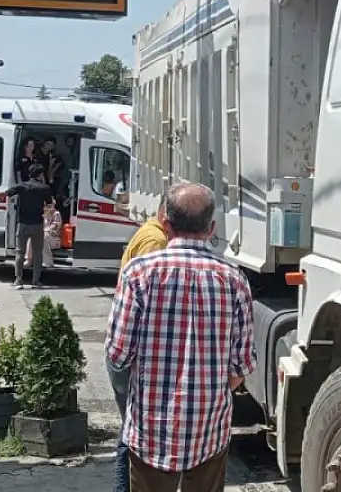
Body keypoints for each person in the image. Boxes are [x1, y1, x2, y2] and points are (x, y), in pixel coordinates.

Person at [106, 183, 256, 492]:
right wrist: (208, 393)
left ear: (166, 224)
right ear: (212, 228)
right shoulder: (235, 281)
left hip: (149, 431)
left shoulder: (138, 274)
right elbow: (241, 365)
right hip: (209, 432)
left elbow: (118, 354)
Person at [107, 202, 169, 492]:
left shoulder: (150, 233)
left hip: (127, 350)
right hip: (133, 354)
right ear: (167, 216)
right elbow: (150, 301)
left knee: (131, 431)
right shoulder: (156, 242)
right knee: (133, 436)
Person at [0, 163, 55, 289]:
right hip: (37, 225)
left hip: (22, 224)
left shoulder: (21, 186)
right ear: (40, 175)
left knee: (19, 253)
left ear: (29, 174)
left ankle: (18, 280)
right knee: (37, 254)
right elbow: (50, 204)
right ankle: (36, 281)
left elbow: (4, 194)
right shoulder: (44, 188)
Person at [41, 198, 62, 270]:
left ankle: (48, 262)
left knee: (43, 236)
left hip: (55, 239)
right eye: (46, 205)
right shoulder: (43, 214)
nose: (48, 207)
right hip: (45, 236)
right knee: (34, 235)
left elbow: (55, 225)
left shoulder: (56, 214)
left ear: (53, 205)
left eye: (50, 205)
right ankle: (29, 259)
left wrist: (47, 229)